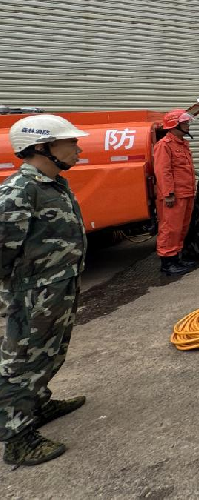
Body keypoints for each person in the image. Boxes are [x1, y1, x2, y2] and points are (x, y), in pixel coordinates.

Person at [1, 115, 89, 466]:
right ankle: (17, 437)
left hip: (58, 286)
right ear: (42, 147)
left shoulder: (53, 184)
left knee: (50, 353)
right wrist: (23, 290)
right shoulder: (19, 192)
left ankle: (38, 402)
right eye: (70, 143)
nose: (78, 148)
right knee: (23, 361)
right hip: (33, 294)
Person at [153, 109, 199, 276]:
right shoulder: (163, 146)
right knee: (170, 228)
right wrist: (168, 194)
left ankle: (176, 258)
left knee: (181, 228)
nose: (187, 125)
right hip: (174, 195)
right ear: (174, 125)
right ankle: (167, 263)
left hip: (186, 193)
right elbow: (162, 171)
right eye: (184, 122)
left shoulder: (182, 144)